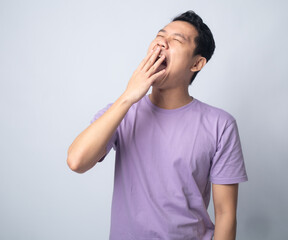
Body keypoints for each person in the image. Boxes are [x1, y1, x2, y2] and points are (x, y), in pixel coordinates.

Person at [67, 10, 248, 240]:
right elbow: (76, 161)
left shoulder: (220, 125)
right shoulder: (122, 111)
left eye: (176, 40)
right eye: (160, 35)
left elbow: (225, 214)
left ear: (197, 63)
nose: (162, 42)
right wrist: (128, 96)